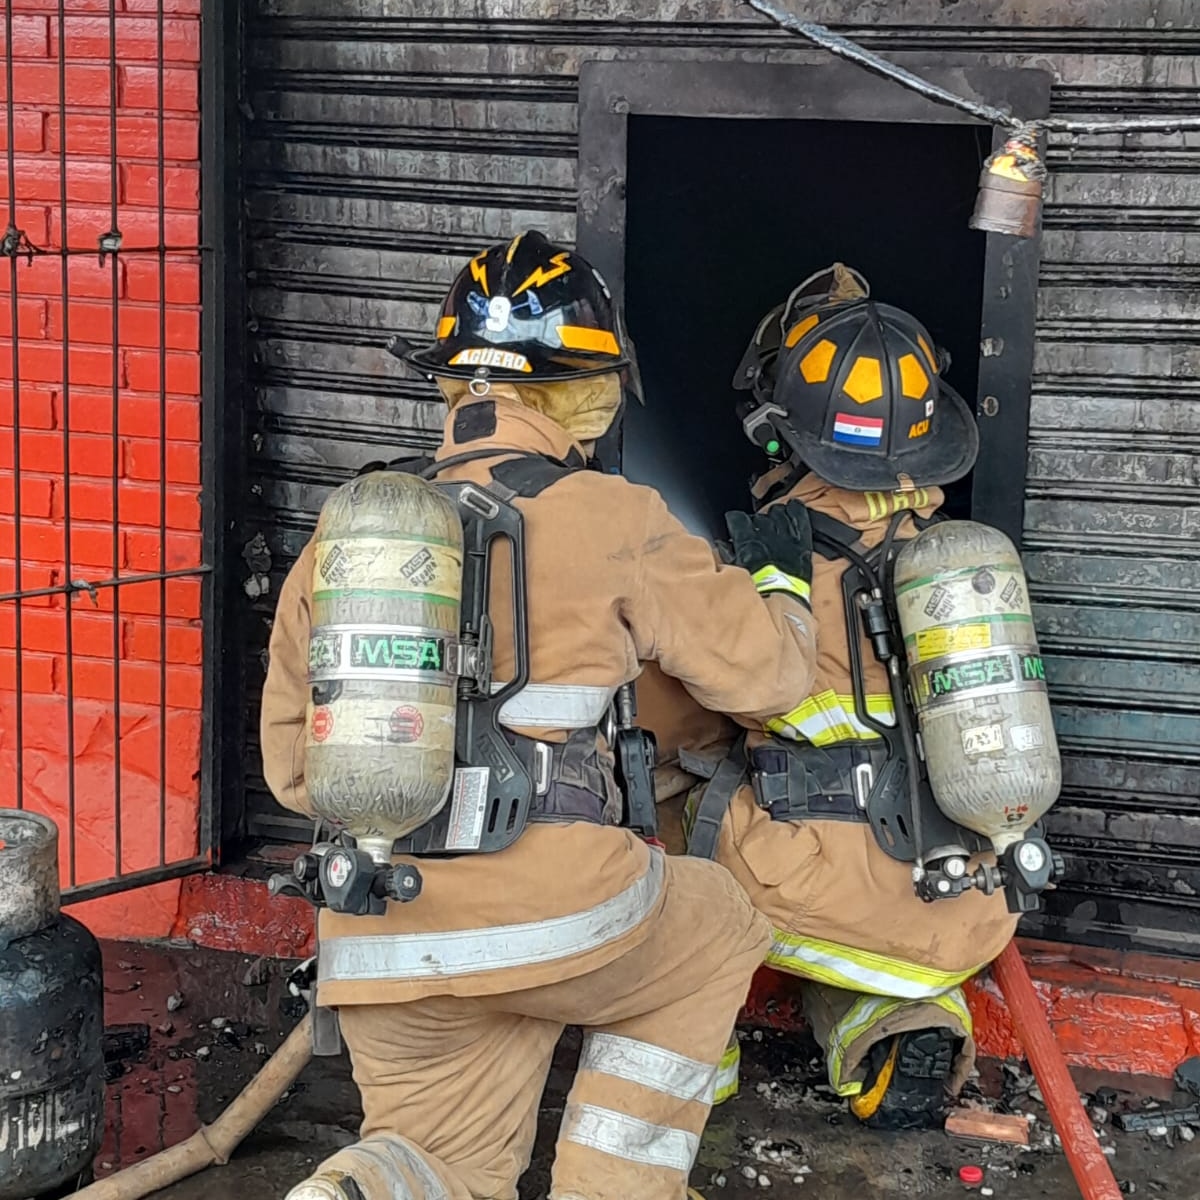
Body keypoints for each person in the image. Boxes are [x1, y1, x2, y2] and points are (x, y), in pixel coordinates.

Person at [261, 230, 823, 1200]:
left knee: (441, 1164)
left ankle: (358, 1185)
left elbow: (290, 767)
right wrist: (786, 584)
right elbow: (770, 678)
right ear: (582, 390)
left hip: (379, 934)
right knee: (718, 924)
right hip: (562, 917)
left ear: (454, 386)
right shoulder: (615, 514)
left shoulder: (352, 533)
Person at [649, 265, 1020, 1131]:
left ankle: (693, 1054)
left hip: (813, 888)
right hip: (962, 903)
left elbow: (676, 728)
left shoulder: (764, 563)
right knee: (849, 889)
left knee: (645, 802)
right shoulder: (965, 566)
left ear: (785, 428)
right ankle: (893, 1023)